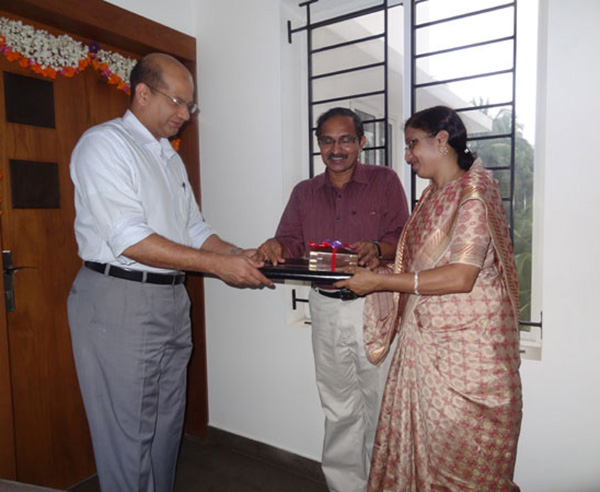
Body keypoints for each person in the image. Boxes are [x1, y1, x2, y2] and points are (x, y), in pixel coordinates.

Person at [67, 53, 271, 492]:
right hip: (119, 296)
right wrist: (220, 266)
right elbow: (129, 239)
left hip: (171, 298)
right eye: (179, 102)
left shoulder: (168, 157)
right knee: (127, 432)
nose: (185, 114)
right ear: (142, 94)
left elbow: (193, 228)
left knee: (165, 425)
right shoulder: (104, 145)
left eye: (190, 106)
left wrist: (240, 253)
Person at [335, 105, 523, 492]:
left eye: (412, 144)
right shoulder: (431, 197)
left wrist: (380, 284)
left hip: (467, 356)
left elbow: (461, 275)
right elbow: (417, 265)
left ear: (442, 140)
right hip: (424, 344)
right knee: (420, 457)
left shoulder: (473, 191)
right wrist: (380, 265)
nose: (407, 156)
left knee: (461, 464)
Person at [255, 107, 409, 492]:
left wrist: (377, 247)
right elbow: (288, 242)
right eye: (327, 140)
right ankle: (345, 487)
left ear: (361, 142)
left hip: (374, 306)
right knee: (338, 406)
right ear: (319, 144)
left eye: (345, 139)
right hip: (323, 307)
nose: (336, 148)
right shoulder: (304, 193)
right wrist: (274, 245)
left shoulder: (385, 181)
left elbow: (403, 237)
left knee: (379, 407)